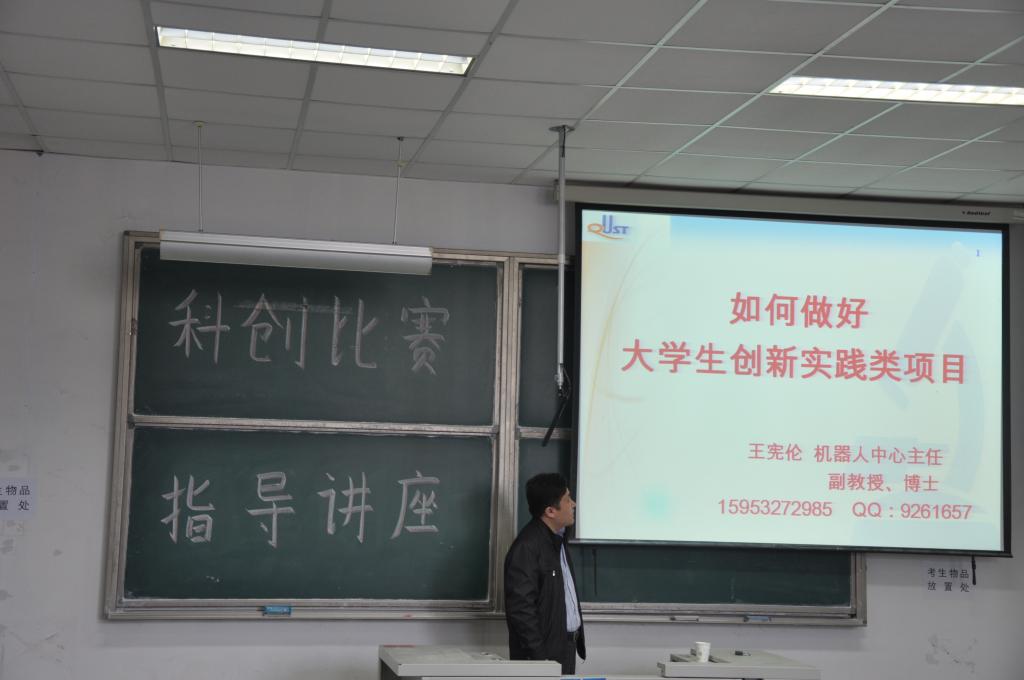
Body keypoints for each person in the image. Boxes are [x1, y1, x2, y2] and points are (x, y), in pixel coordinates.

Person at [504, 473, 585, 674]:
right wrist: (540, 660)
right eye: (567, 499)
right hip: (544, 656)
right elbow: (521, 610)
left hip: (565, 647)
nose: (573, 504)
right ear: (550, 511)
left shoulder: (558, 539)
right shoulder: (527, 547)